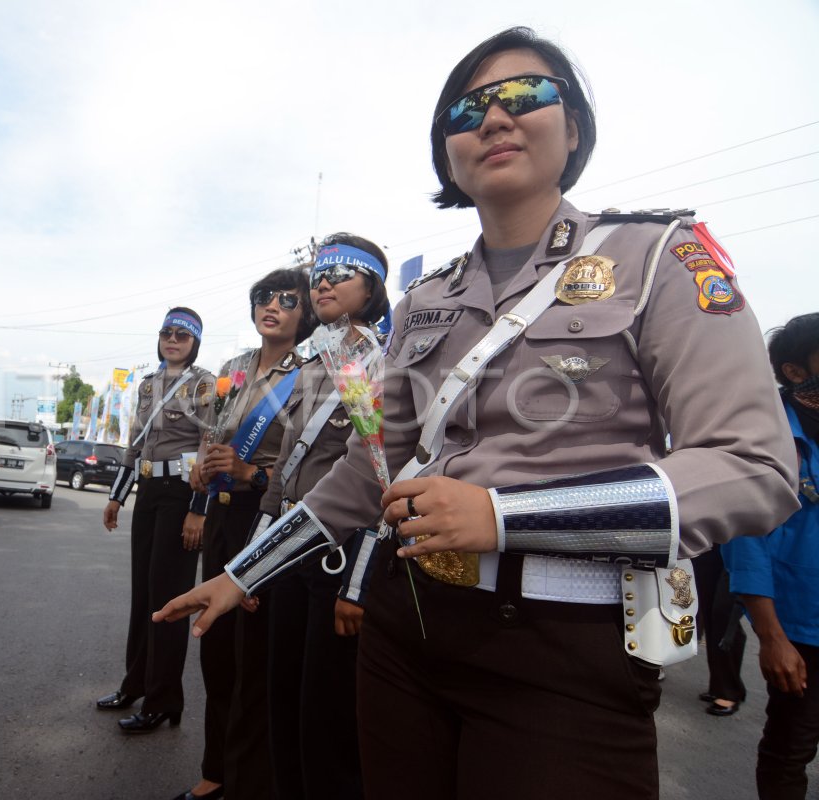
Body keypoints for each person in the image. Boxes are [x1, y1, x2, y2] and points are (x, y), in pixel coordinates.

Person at [155, 26, 799, 800]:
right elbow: (372, 468)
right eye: (467, 109)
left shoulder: (659, 257)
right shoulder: (430, 298)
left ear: (574, 128)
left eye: (526, 95)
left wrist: (503, 517)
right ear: (447, 153)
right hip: (408, 627)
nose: (494, 118)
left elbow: (752, 468)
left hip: (564, 651)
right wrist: (240, 573)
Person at [257, 233, 391, 800]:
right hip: (288, 546)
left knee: (326, 717)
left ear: (373, 287)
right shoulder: (314, 359)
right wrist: (254, 560)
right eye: (319, 274)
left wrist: (358, 583)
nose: (324, 283)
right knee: (280, 699)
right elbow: (287, 466)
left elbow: (382, 476)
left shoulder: (375, 362)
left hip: (335, 558)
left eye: (342, 273)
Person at [174, 267, 316, 800]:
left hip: (270, 518)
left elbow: (307, 464)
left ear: (303, 313)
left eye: (286, 299)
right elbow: (213, 436)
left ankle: (249, 780)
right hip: (222, 516)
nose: (271, 306)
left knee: (254, 658)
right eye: (263, 298)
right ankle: (216, 770)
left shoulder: (312, 372)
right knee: (216, 652)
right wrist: (199, 485)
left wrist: (249, 473)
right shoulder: (232, 368)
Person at [96, 308, 215, 735]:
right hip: (147, 492)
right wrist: (116, 496)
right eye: (167, 333)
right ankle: (135, 685)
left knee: (169, 600)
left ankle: (165, 699)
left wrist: (199, 509)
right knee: (143, 595)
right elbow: (136, 442)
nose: (173, 339)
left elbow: (209, 446)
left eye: (183, 335)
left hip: (181, 495)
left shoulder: (204, 383)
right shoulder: (147, 385)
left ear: (195, 342)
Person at [724, 312, 819, 800]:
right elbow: (746, 538)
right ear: (796, 372)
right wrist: (772, 637)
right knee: (790, 751)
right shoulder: (762, 435)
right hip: (801, 630)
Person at [693, 546, 747, 716]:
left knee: (724, 612)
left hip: (742, 542)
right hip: (710, 541)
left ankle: (729, 690)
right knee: (707, 609)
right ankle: (718, 684)